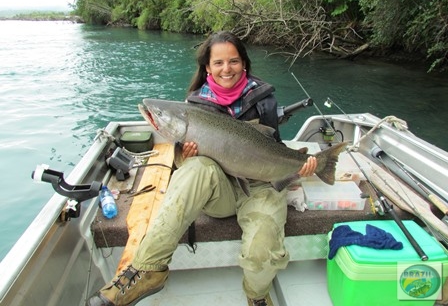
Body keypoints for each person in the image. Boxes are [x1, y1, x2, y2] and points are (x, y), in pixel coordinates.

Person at [87, 31, 317, 306]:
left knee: (263, 244)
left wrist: (300, 166)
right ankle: (148, 268)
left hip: (260, 186)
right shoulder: (195, 104)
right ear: (207, 67)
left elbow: (272, 145)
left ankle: (256, 296)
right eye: (218, 63)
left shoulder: (264, 97)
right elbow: (183, 164)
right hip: (219, 189)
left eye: (233, 61)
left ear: (244, 63)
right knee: (195, 167)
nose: (226, 69)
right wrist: (184, 156)